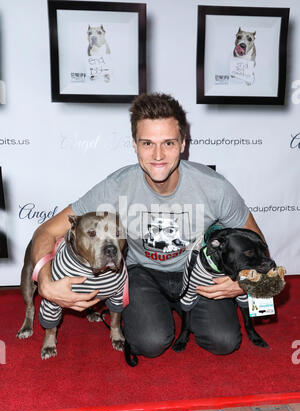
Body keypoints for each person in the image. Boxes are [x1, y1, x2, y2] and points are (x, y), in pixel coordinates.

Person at [32, 92, 264, 358]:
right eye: (147, 143)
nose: (157, 155)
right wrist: (46, 281)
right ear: (134, 144)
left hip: (197, 273)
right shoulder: (115, 187)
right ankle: (155, 310)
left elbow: (256, 240)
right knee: (150, 343)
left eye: (168, 143)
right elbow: (46, 231)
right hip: (142, 272)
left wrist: (247, 279)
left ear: (183, 143)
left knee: (224, 342)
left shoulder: (214, 187)